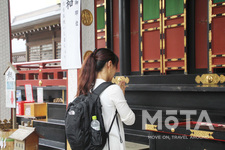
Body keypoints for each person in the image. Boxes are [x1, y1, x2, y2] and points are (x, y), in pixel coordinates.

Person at [76, 48, 135, 150]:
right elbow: (130, 119)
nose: (115, 71)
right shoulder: (113, 89)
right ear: (109, 64)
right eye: (115, 67)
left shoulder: (87, 87)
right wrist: (121, 96)